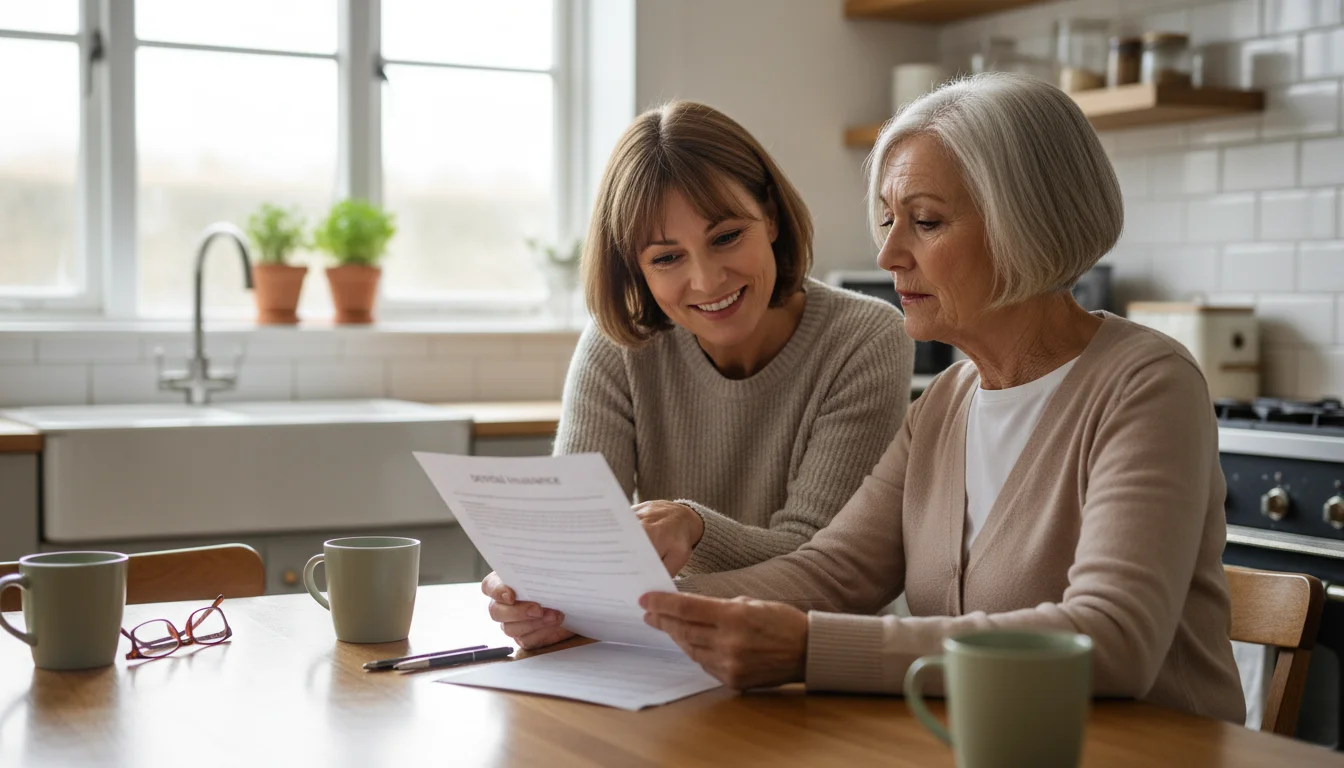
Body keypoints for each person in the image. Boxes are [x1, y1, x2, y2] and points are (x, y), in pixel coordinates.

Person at [639, 73, 1246, 723]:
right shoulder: (944, 404)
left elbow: (1111, 638)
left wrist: (811, 648)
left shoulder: (1146, 386)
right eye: (889, 220)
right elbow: (831, 573)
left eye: (925, 221)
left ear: (1027, 223)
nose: (889, 252)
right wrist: (637, 607)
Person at [482, 101, 915, 650]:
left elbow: (823, 562)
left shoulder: (866, 339)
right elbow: (579, 542)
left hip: (815, 665)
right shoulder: (620, 345)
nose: (707, 280)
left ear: (772, 219)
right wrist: (539, 593)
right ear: (634, 268)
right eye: (667, 259)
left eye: (727, 236)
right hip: (667, 656)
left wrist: (691, 528)